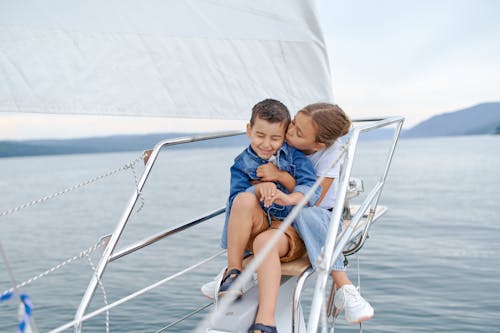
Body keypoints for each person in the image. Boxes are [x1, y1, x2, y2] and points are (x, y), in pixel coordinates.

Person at [262, 102, 374, 324]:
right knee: (249, 198)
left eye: (298, 132)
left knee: (306, 213)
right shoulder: (285, 139)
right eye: (293, 122)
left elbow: (314, 199)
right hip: (284, 208)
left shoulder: (333, 153)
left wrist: (281, 177)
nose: (290, 130)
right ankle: (234, 269)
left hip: (320, 213)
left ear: (318, 145)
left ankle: (344, 286)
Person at [219, 98, 321, 333]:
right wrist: (256, 189)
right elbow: (235, 203)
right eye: (260, 135)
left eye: (275, 138)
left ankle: (265, 321)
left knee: (266, 242)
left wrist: (281, 180)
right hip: (257, 223)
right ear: (249, 130)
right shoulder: (242, 163)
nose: (266, 144)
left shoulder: (295, 158)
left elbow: (311, 191)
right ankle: (233, 272)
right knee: (243, 199)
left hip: (287, 227)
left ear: (285, 134)